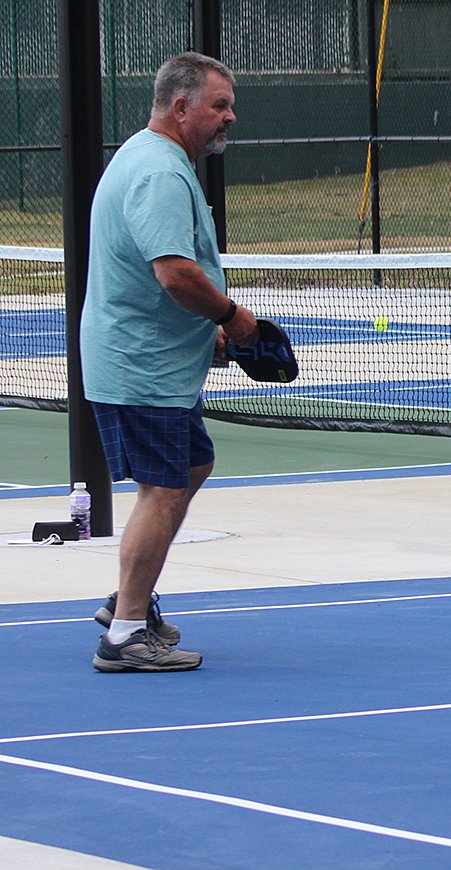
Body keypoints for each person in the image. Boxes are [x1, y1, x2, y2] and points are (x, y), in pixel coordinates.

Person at [80, 52, 257, 673]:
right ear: (181, 107)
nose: (229, 116)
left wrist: (201, 337)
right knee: (163, 489)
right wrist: (231, 319)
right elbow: (175, 273)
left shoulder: (155, 160)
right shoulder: (159, 171)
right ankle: (125, 635)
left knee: (193, 464)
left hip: (156, 363)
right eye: (219, 105)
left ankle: (128, 599)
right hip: (140, 368)